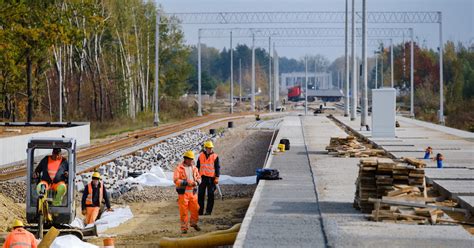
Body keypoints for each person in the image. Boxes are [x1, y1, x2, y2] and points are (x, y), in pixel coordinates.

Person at [173, 150, 202, 234]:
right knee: (184, 212)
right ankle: (184, 228)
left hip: (193, 193)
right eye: (189, 159)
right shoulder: (179, 168)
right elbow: (176, 180)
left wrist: (196, 182)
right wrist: (187, 183)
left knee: (196, 209)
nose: (191, 161)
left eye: (192, 159)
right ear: (185, 159)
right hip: (183, 193)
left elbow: (199, 178)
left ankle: (193, 223)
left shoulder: (194, 168)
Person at [197, 140, 220, 216]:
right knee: (200, 195)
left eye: (211, 148)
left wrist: (217, 177)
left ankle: (208, 212)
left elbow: (217, 168)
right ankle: (200, 211)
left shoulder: (215, 156)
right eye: (208, 148)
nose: (210, 149)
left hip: (211, 179)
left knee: (210, 195)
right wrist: (196, 176)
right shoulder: (200, 156)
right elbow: (198, 167)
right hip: (202, 178)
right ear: (205, 148)